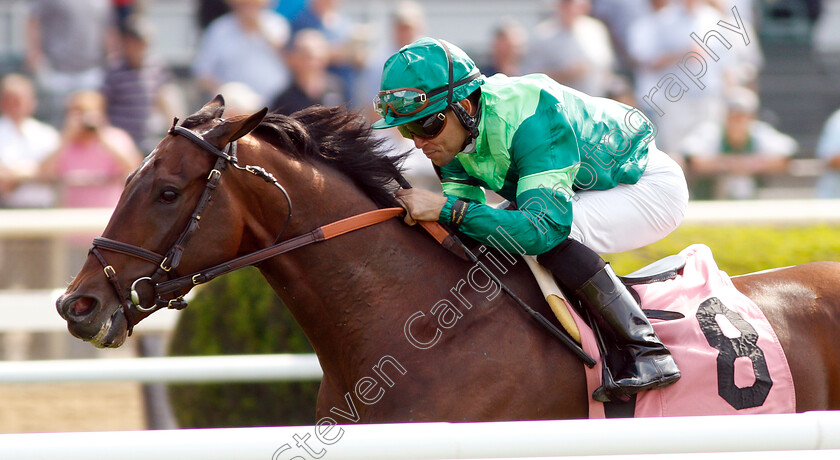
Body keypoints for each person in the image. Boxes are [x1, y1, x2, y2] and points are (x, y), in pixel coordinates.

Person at [373, 38, 688, 401]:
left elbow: (542, 229)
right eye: (406, 130)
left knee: (550, 240)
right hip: (580, 190)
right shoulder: (451, 136)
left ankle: (647, 351)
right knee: (493, 237)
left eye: (426, 126)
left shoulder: (530, 113)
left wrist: (445, 208)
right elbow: (465, 229)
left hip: (643, 185)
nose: (418, 143)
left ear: (461, 106)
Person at [680, 87, 796, 200]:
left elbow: (785, 157)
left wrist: (745, 164)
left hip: (755, 205)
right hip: (713, 201)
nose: (737, 122)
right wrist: (732, 164)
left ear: (751, 117)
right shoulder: (711, 133)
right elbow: (694, 160)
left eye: (742, 116)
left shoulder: (759, 133)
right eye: (733, 116)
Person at [39, 90, 141, 209]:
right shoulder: (62, 142)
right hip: (70, 218)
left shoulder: (116, 138)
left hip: (108, 217)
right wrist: (67, 139)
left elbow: (135, 171)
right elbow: (43, 173)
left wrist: (102, 137)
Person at [25, 0, 113, 127]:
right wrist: (34, 54)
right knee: (56, 123)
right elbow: (33, 20)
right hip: (57, 69)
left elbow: (108, 28)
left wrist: (110, 56)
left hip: (91, 70)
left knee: (90, 122)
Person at [102, 17, 183, 153]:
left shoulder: (157, 68)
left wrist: (176, 132)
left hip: (150, 138)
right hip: (122, 141)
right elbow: (102, 104)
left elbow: (167, 99)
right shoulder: (114, 70)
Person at [192, 0, 291, 105]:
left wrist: (261, 30)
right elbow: (202, 72)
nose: (249, 7)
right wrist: (224, 94)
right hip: (233, 109)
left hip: (276, 105)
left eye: (254, 4)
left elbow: (291, 61)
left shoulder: (278, 24)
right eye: (245, 4)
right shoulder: (219, 30)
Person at [525, 0, 616, 97]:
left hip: (595, 101)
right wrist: (566, 74)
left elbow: (606, 66)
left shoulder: (595, 29)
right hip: (558, 105)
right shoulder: (543, 35)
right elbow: (531, 77)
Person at [0, 74, 59, 208]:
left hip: (44, 209)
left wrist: (16, 175)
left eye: (21, 99)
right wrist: (34, 171)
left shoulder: (48, 134)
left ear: (32, 101)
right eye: (11, 99)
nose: (17, 104)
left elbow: (52, 173)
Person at [271, 29, 344, 115]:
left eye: (319, 58)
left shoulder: (335, 88)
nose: (313, 63)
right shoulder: (284, 100)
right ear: (294, 59)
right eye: (307, 57)